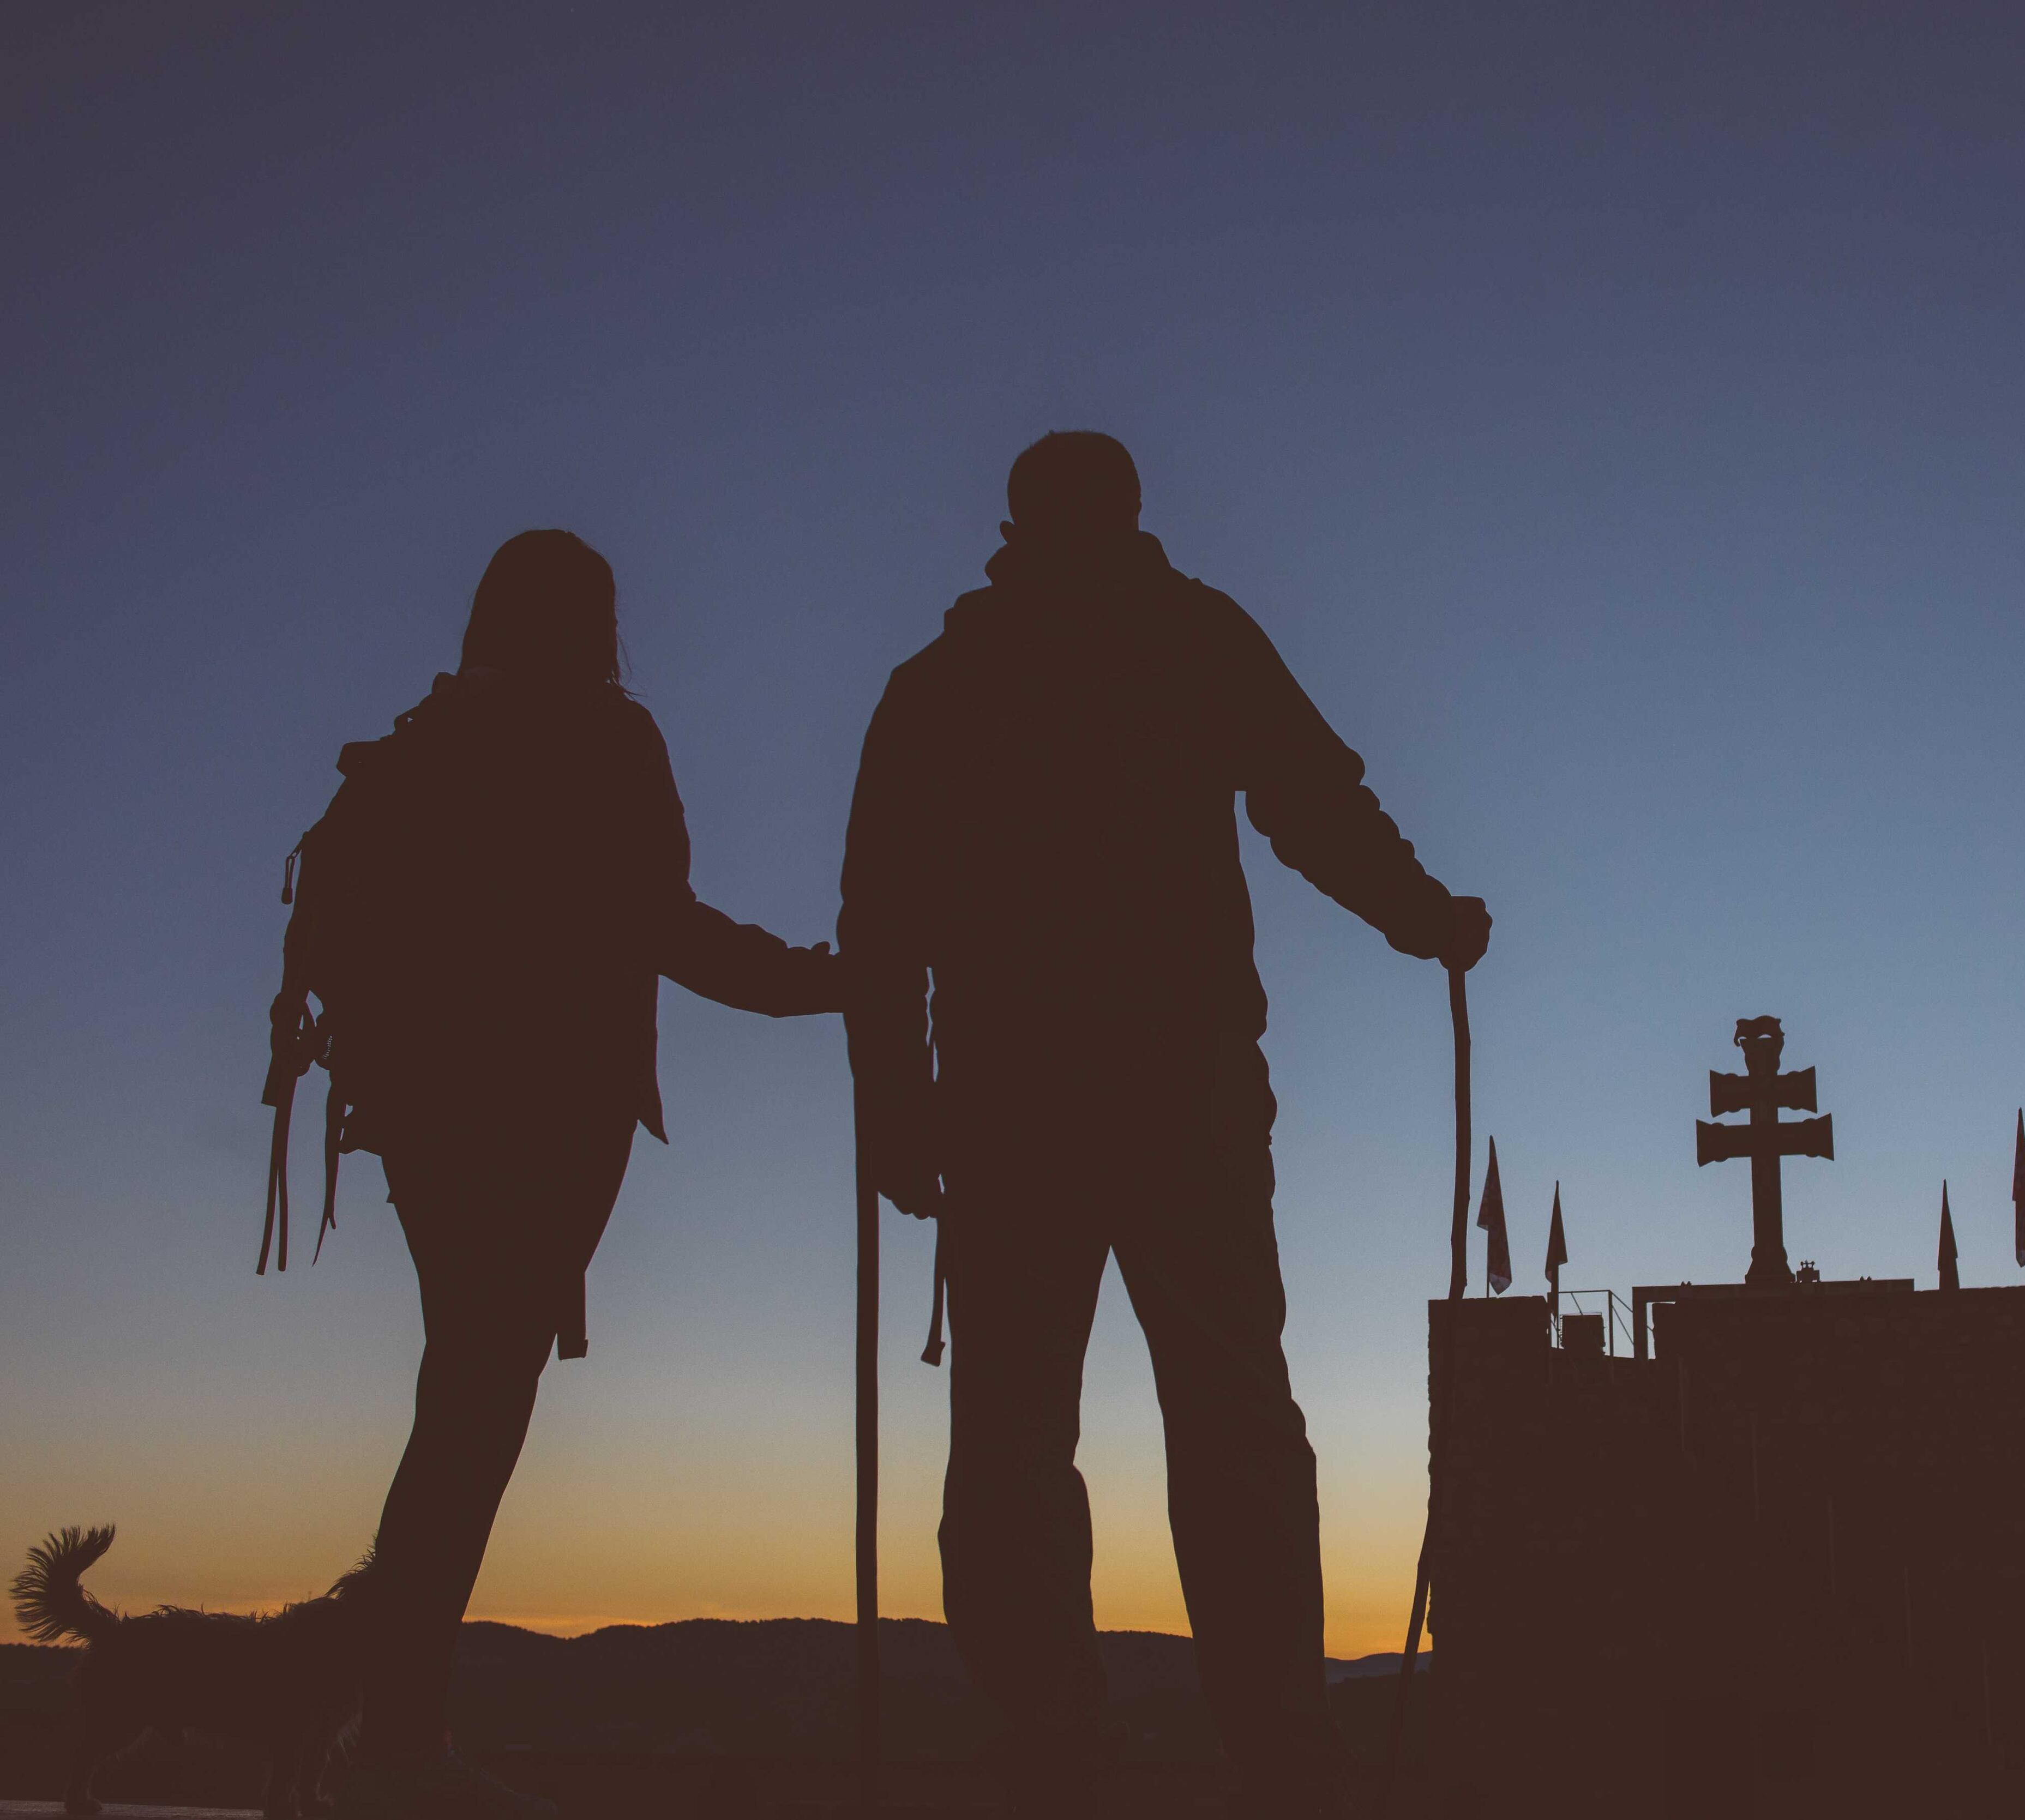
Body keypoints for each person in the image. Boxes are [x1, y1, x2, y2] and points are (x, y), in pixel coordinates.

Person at [840, 433, 1490, 1820]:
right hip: (1166, 1102)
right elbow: (1314, 803)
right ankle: (1276, 1759)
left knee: (1029, 1437)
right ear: (1129, 513)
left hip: (1029, 1112)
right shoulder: (1185, 640)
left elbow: (882, 921)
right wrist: (1422, 916)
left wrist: (897, 1104)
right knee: (1226, 1424)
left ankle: (1063, 1745)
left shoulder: (948, 682)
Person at [296, 531, 843, 1820]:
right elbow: (662, 921)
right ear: (596, 624)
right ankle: (389, 1749)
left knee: (463, 1404)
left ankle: (387, 1733)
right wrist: (825, 983)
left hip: (423, 1122)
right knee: (474, 1415)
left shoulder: (426, 739)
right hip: (543, 1122)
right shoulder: (604, 737)